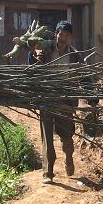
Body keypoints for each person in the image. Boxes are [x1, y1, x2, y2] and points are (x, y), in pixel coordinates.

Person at [30, 20, 81, 184]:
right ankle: (48, 172)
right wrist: (32, 51)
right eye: (60, 34)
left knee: (66, 135)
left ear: (70, 37)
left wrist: (92, 97)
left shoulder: (75, 56)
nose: (62, 38)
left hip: (65, 99)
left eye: (66, 35)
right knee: (47, 137)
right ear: (55, 34)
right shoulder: (45, 50)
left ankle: (69, 157)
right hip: (46, 97)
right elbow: (32, 65)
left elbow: (84, 77)